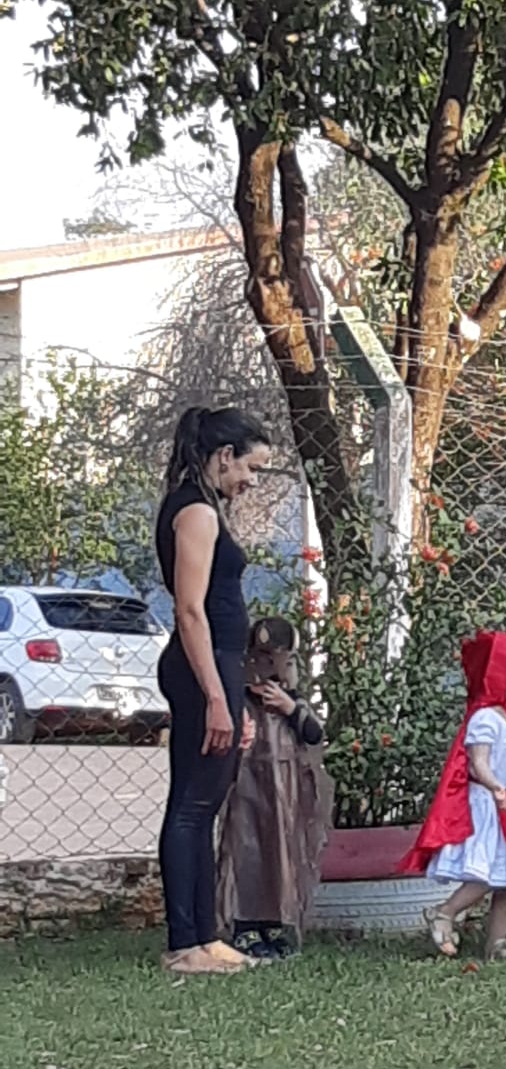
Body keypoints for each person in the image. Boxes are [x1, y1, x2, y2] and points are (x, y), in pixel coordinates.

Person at [155, 405, 272, 975]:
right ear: (223, 456)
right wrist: (218, 699)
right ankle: (184, 942)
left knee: (205, 806)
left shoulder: (207, 507)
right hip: (200, 668)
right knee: (191, 806)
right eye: (249, 467)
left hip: (220, 666)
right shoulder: (196, 511)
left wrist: (235, 693)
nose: (251, 480)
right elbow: (190, 610)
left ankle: (206, 936)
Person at [399, 631, 506, 962]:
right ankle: (445, 911)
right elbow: (478, 764)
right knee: (491, 874)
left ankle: (497, 941)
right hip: (489, 808)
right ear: (495, 675)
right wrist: (495, 787)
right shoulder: (485, 718)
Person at [215, 616, 334, 962]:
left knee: (280, 852)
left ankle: (274, 923)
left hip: (285, 791)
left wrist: (290, 707)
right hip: (248, 788)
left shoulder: (290, 702)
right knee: (247, 850)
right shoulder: (240, 703)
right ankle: (243, 923)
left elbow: (314, 733)